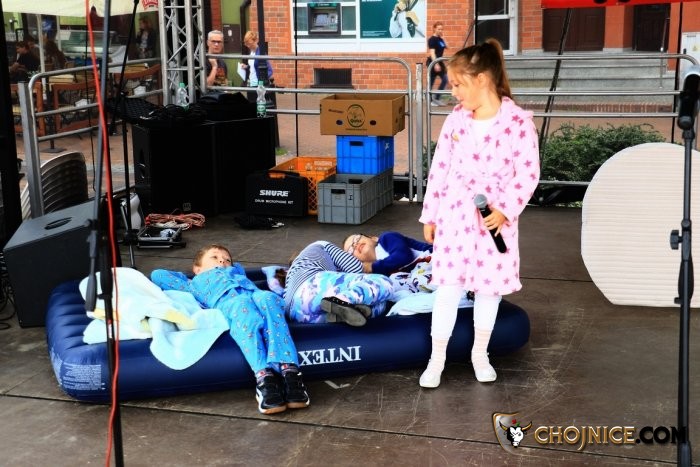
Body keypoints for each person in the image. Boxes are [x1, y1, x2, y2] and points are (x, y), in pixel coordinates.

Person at [417, 39, 540, 388]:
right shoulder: (455, 121)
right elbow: (440, 168)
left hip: (494, 220)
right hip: (456, 213)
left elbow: (528, 172)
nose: (453, 92)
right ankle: (436, 359)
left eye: (458, 84)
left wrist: (505, 210)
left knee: (489, 290)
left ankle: (480, 354)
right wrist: (431, 214)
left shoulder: (518, 123)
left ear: (482, 79)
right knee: (448, 287)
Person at [150, 244, 310, 415]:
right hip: (228, 303)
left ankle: (290, 372)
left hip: (254, 294)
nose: (222, 261)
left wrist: (232, 268)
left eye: (227, 259)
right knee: (243, 308)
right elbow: (157, 275)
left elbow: (251, 272)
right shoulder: (193, 284)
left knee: (269, 298)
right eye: (214, 257)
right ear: (197, 268)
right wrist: (190, 278)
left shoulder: (237, 272)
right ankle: (264, 377)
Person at [281, 241, 394, 326]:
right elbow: (356, 267)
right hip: (312, 286)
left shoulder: (292, 275)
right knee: (384, 282)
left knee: (381, 303)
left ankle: (346, 309)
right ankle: (344, 300)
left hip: (296, 313)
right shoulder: (320, 245)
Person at [342, 231, 432, 275]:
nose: (355, 244)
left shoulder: (386, 238)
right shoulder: (377, 273)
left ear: (373, 238)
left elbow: (403, 256)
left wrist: (372, 267)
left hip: (434, 258)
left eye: (357, 238)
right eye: (351, 250)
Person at [427, 21, 448, 106]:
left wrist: (443, 38)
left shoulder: (440, 39)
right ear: (434, 29)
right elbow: (432, 53)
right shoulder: (432, 40)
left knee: (445, 79)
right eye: (439, 29)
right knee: (431, 82)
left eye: (442, 29)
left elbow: (447, 46)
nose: (440, 31)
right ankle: (430, 101)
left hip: (440, 62)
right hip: (433, 62)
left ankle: (436, 98)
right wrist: (435, 64)